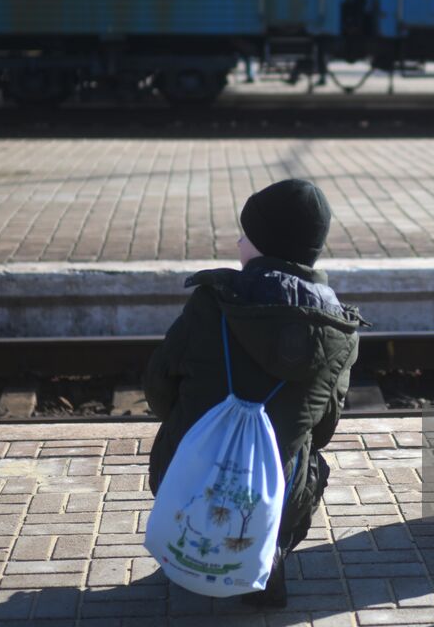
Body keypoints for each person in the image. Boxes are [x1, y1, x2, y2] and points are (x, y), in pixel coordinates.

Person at [144, 178, 363, 607]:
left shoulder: (211, 303)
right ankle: (271, 549)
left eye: (246, 235)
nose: (239, 242)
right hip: (271, 497)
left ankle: (192, 541)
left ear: (263, 247)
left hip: (183, 475)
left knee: (178, 433)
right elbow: (323, 430)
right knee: (312, 462)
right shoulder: (340, 332)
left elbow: (158, 388)